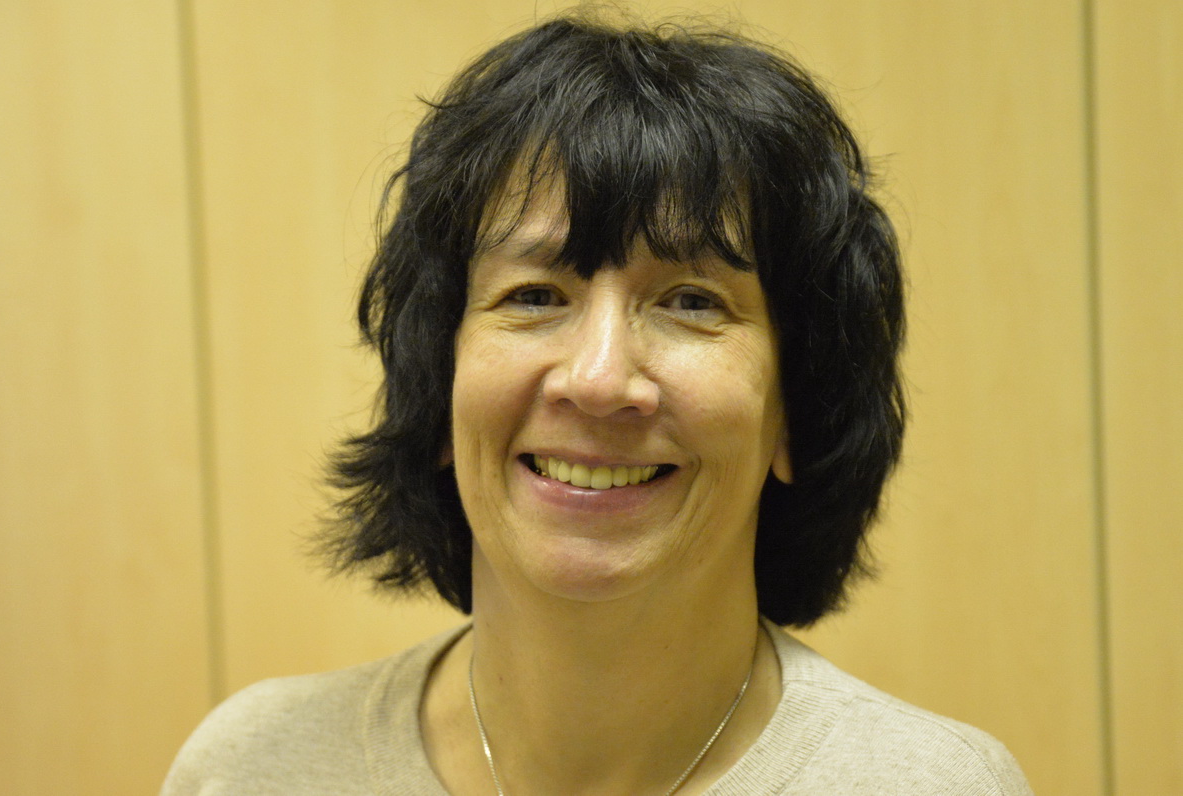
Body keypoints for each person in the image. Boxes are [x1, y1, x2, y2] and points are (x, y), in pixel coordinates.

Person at [163, 12, 1033, 795]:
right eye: (535, 295)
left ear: (793, 410)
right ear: (438, 386)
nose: (600, 378)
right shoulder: (252, 770)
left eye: (691, 301)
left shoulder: (933, 785)